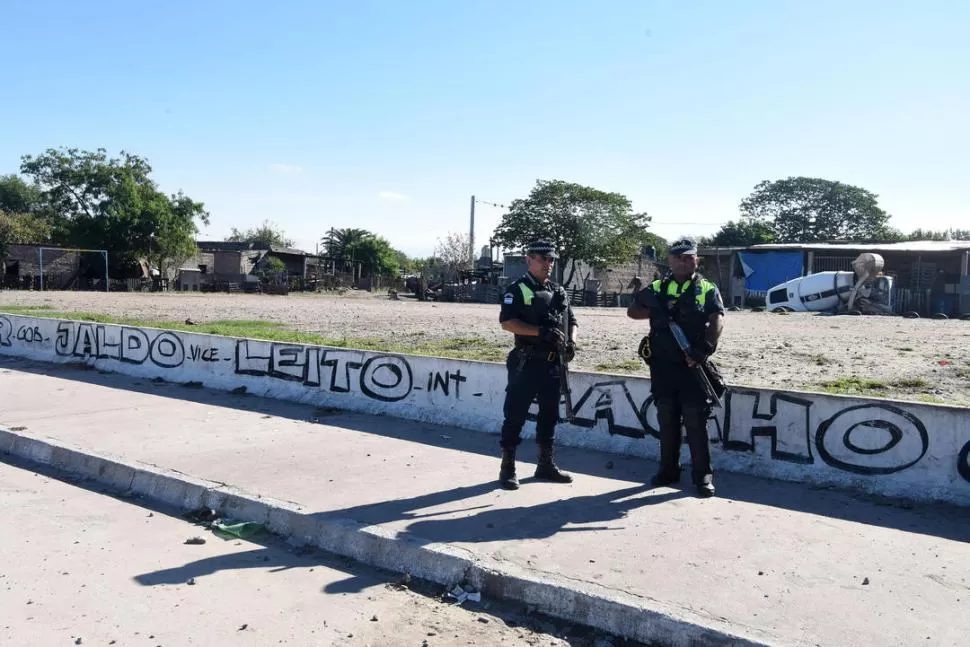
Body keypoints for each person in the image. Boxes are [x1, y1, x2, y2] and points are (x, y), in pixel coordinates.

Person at [626, 237, 725, 497]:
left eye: (688, 257)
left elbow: (717, 319)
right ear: (670, 260)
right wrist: (655, 310)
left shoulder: (706, 288)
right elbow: (633, 312)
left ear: (696, 259)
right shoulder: (658, 287)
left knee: (695, 418)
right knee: (666, 417)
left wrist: (704, 350)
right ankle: (668, 470)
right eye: (678, 257)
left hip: (693, 364)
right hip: (662, 365)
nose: (683, 261)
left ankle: (702, 475)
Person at [497, 239, 578, 490]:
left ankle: (545, 464)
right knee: (515, 414)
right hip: (527, 362)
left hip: (554, 365)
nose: (548, 263)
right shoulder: (518, 288)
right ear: (529, 259)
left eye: (551, 259)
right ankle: (508, 466)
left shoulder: (558, 291)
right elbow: (507, 322)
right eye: (543, 259)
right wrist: (540, 333)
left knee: (549, 415)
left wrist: (571, 342)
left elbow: (572, 321)